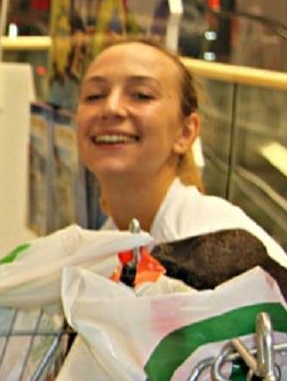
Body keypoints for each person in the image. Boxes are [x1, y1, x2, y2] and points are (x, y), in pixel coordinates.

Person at [75, 40, 287, 265]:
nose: (111, 108)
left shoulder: (215, 243)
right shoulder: (108, 244)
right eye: (95, 95)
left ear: (186, 132)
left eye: (141, 95)